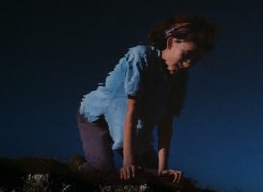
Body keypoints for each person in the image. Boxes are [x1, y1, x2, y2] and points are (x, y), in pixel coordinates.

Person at [76, 14, 219, 182]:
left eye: (195, 60)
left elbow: (166, 123)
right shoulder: (141, 57)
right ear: (171, 42)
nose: (188, 64)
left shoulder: (181, 77)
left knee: (152, 174)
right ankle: (79, 165)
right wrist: (128, 161)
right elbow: (131, 111)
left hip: (133, 128)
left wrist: (162, 168)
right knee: (102, 171)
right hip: (97, 118)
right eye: (187, 54)